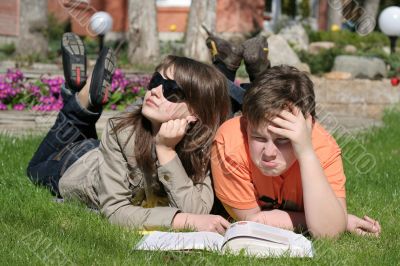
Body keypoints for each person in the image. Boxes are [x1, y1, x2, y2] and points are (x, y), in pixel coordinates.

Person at [27, 32, 231, 234]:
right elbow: (115, 210)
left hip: (104, 154)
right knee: (34, 170)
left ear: (195, 112)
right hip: (73, 163)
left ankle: (80, 95)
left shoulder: (205, 146)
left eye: (171, 90)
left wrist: (166, 153)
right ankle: (81, 96)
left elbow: (198, 211)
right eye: (155, 81)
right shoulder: (121, 132)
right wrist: (180, 220)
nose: (155, 91)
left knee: (82, 129)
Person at [207, 32, 381, 238]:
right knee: (217, 106)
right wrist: (343, 219)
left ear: (308, 128)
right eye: (259, 139)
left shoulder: (322, 147)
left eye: (283, 141)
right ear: (247, 127)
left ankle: (256, 69)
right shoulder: (230, 142)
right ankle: (233, 67)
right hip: (230, 126)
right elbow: (253, 221)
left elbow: (328, 233)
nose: (269, 153)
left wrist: (306, 152)